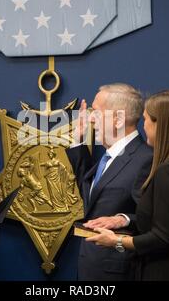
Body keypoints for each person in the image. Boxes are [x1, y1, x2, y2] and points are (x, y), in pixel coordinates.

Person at [86, 90, 169, 280]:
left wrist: (116, 240)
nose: (144, 126)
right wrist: (123, 220)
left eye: (146, 120)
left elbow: (162, 237)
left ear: (161, 124)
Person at [66, 83, 153, 281]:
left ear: (118, 119)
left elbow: (156, 219)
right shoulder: (109, 156)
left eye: (95, 112)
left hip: (118, 272)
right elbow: (92, 195)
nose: (90, 118)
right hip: (90, 268)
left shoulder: (146, 159)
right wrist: (77, 140)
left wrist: (124, 218)